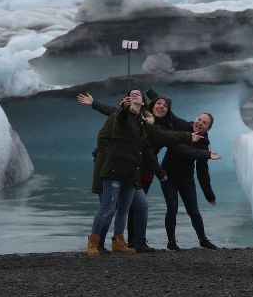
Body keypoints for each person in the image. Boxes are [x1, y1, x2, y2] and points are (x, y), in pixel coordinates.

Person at [86, 89, 201, 256]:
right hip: (114, 168)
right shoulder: (121, 116)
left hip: (132, 171)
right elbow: (110, 129)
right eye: (131, 94)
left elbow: (154, 145)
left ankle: (120, 242)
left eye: (138, 94)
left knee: (127, 208)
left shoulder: (143, 124)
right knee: (109, 208)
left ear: (143, 101)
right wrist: (122, 109)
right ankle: (95, 243)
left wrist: (188, 137)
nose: (134, 95)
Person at [157, 108, 220, 251]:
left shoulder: (204, 144)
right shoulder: (182, 127)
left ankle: (203, 239)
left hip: (186, 178)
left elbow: (202, 172)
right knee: (172, 208)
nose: (200, 123)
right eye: (199, 119)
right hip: (168, 176)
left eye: (204, 123)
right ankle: (171, 242)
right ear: (195, 119)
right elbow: (169, 114)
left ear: (208, 128)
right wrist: (152, 95)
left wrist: (209, 194)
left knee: (193, 210)